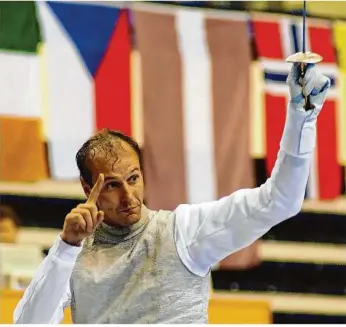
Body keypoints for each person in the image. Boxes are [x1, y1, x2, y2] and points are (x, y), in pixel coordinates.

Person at [14, 63, 330, 324]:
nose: (128, 196)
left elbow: (279, 202)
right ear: (87, 188)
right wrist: (66, 248)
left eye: (133, 178)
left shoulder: (184, 231)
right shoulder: (73, 256)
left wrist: (302, 119)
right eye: (112, 185)